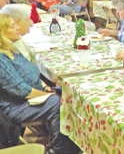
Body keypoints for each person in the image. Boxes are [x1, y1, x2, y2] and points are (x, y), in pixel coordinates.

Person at [0, 14, 80, 154]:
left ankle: (76, 141)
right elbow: (22, 91)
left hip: (31, 96)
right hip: (12, 106)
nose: (18, 27)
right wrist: (47, 94)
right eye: (13, 26)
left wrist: (45, 87)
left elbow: (33, 73)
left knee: (71, 93)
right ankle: (59, 149)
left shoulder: (12, 49)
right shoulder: (1, 60)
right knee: (57, 102)